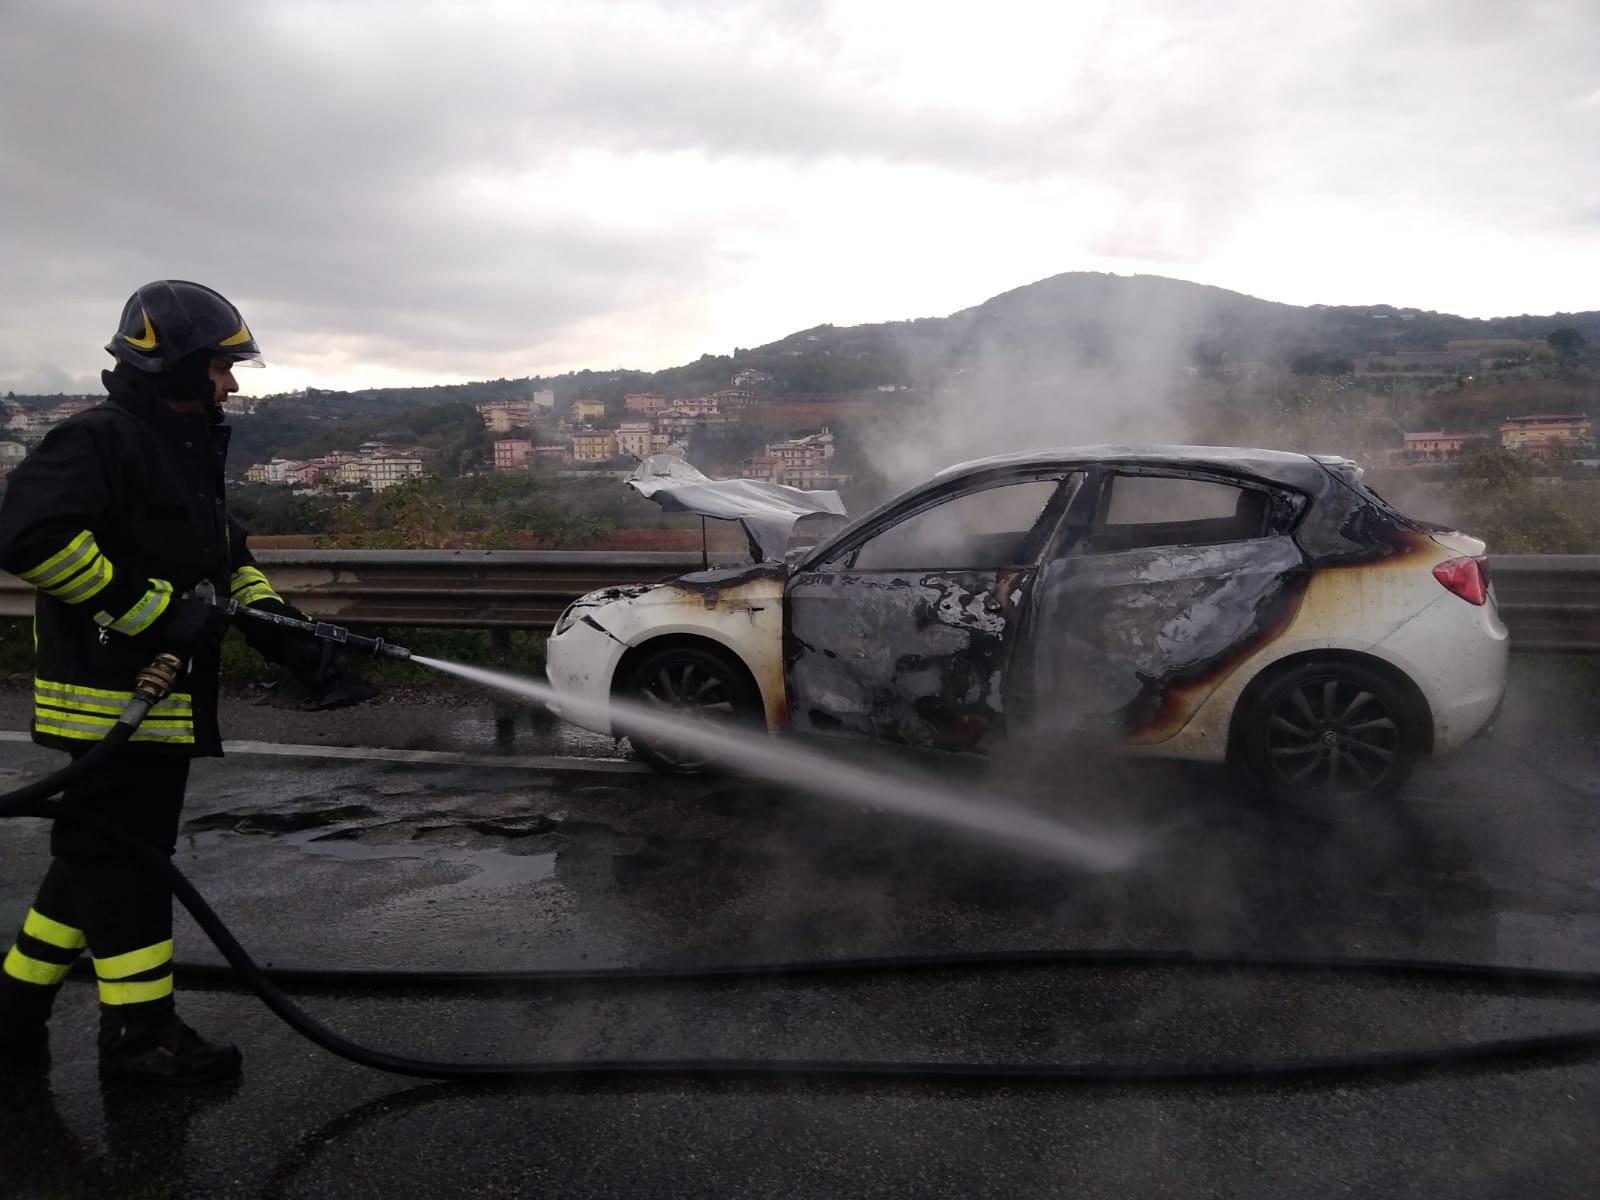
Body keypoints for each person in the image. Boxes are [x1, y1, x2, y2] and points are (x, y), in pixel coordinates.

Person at [0, 280, 360, 1083]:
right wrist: (149, 615)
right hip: (107, 699)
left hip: (153, 702)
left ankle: (15, 1012)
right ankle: (139, 1036)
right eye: (222, 368)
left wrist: (289, 637)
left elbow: (226, 566)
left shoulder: (184, 450)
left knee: (96, 859)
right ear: (179, 363)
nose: (232, 384)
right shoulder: (101, 439)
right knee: (126, 867)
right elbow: (29, 536)